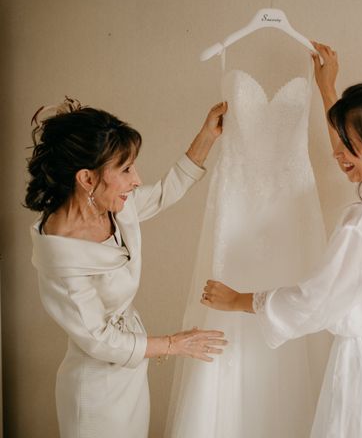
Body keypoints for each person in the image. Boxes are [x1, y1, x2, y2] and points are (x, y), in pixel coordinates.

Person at [201, 42, 362, 437]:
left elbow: (311, 302)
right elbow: (354, 153)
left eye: (348, 146)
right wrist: (329, 89)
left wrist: (237, 299)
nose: (337, 155)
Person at [25, 97, 229, 438]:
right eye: (126, 170)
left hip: (130, 377)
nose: (136, 180)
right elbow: (99, 339)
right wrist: (175, 344)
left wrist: (207, 135)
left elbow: (166, 191)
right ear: (87, 179)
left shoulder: (111, 208)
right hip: (95, 391)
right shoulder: (60, 253)